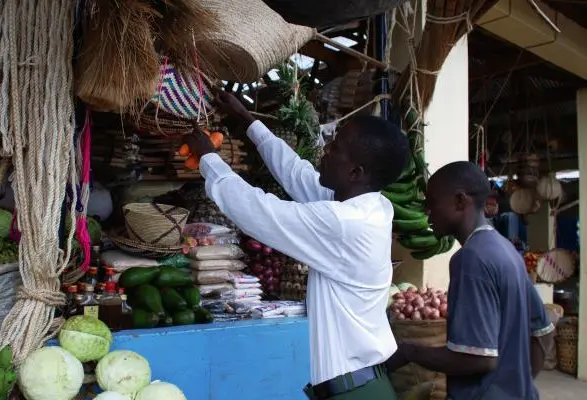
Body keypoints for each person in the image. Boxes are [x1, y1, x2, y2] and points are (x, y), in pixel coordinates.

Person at [185, 89, 410, 399]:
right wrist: (248, 121)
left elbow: (258, 211)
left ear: (356, 172)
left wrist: (209, 158)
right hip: (362, 385)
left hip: (354, 393)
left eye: (336, 147)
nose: (326, 149)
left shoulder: (345, 223)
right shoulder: (370, 205)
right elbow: (297, 174)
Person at [386, 161, 552, 399]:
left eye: (432, 202)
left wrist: (409, 352)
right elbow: (543, 332)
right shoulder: (506, 250)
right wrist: (518, 386)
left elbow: (478, 359)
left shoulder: (470, 258)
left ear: (460, 201)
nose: (427, 211)